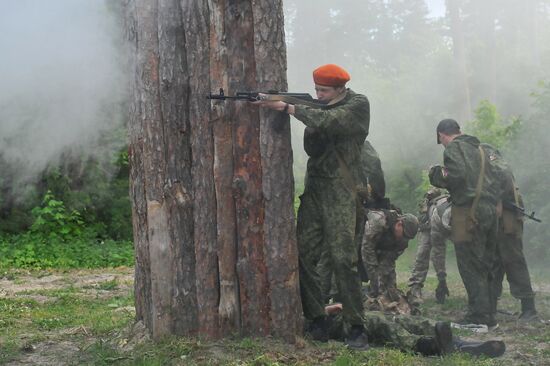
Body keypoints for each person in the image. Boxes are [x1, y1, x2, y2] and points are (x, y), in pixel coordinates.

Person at [254, 64, 370, 349]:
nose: (318, 95)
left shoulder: (357, 104)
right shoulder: (317, 106)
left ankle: (356, 326)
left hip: (342, 192)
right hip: (316, 190)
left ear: (340, 89)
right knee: (303, 254)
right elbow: (313, 145)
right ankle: (316, 318)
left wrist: (288, 108)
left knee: (343, 259)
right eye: (316, 89)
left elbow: (332, 121)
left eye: (324, 90)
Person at [429, 119, 501, 328]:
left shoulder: (453, 148)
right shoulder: (482, 149)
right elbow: (499, 176)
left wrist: (436, 175)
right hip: (490, 209)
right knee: (486, 263)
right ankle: (490, 315)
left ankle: (478, 317)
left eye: (440, 140)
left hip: (468, 211)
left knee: (470, 264)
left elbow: (457, 177)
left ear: (442, 135)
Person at [481, 144, 539, 323]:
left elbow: (503, 174)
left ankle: (529, 308)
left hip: (508, 217)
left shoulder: (491, 158)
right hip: (498, 219)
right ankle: (489, 306)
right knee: (494, 261)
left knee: (513, 260)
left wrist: (497, 199)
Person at [324, 303, 506, 358]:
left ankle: (460, 344)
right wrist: (327, 309)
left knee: (404, 320)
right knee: (377, 321)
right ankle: (425, 345)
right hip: (330, 322)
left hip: (345, 312)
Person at [361, 210, 419, 299]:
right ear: (399, 224)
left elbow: (388, 264)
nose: (404, 239)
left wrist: (391, 289)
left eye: (407, 238)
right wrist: (375, 284)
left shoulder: (402, 241)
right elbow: (367, 250)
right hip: (360, 242)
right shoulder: (379, 222)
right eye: (404, 235)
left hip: (376, 248)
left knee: (386, 289)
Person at [408, 188, 451, 306]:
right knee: (423, 253)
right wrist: (442, 279)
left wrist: (442, 280)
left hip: (440, 222)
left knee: (434, 252)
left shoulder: (447, 210)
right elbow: (438, 251)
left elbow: (439, 250)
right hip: (427, 226)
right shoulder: (435, 210)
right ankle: (415, 288)